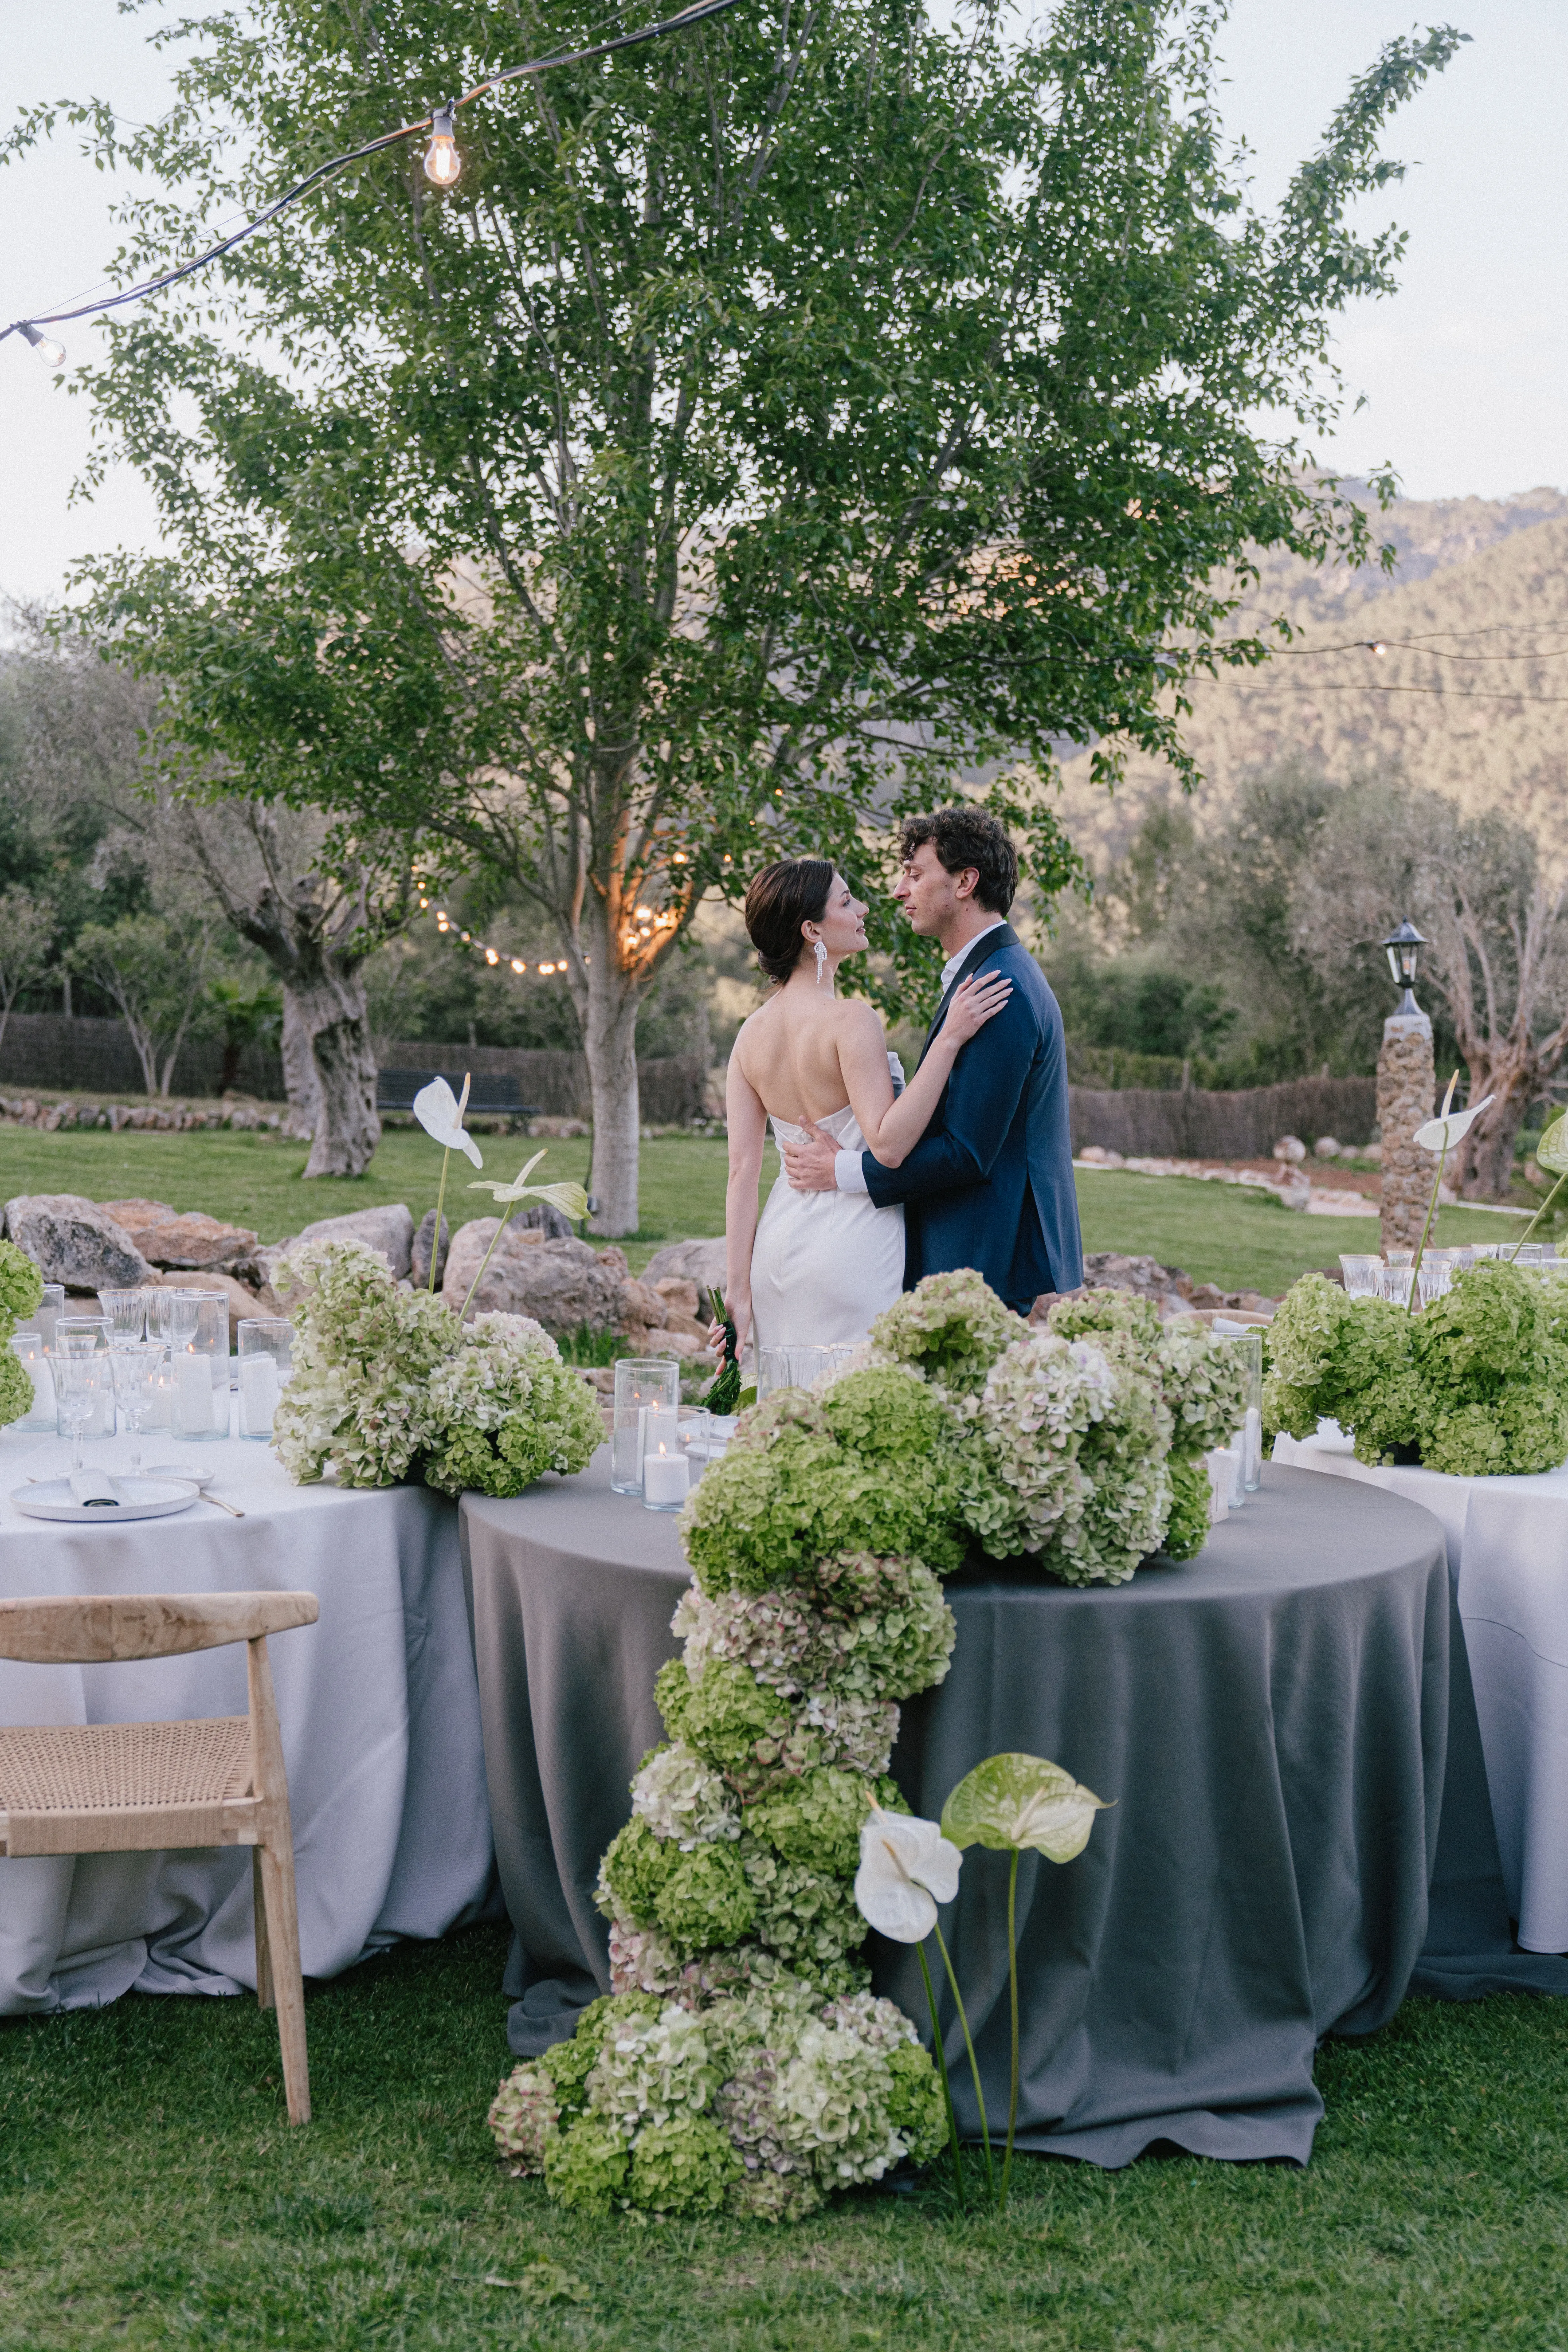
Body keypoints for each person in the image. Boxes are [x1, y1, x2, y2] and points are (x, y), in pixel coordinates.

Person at [778, 807, 1084, 1316]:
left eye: (915, 875)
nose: (900, 891)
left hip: (982, 1258)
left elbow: (967, 1152)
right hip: (970, 1253)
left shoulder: (999, 989)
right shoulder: (990, 974)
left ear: (965, 882)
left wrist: (842, 1169)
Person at [716, 856, 1012, 1365]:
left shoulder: (750, 1036)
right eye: (847, 901)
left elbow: (742, 1173)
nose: (865, 908)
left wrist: (738, 1293)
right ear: (812, 930)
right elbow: (889, 1144)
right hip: (850, 1244)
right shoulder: (851, 1020)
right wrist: (950, 1039)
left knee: (786, 1412)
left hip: (777, 1246)